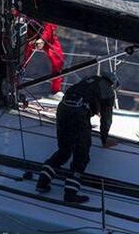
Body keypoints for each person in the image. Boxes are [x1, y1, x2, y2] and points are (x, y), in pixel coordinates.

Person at [35, 72, 119, 203]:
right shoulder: (108, 91)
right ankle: (70, 194)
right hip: (79, 114)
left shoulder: (88, 79)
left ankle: (42, 183)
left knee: (64, 151)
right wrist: (104, 139)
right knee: (81, 156)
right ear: (112, 84)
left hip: (63, 109)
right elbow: (106, 119)